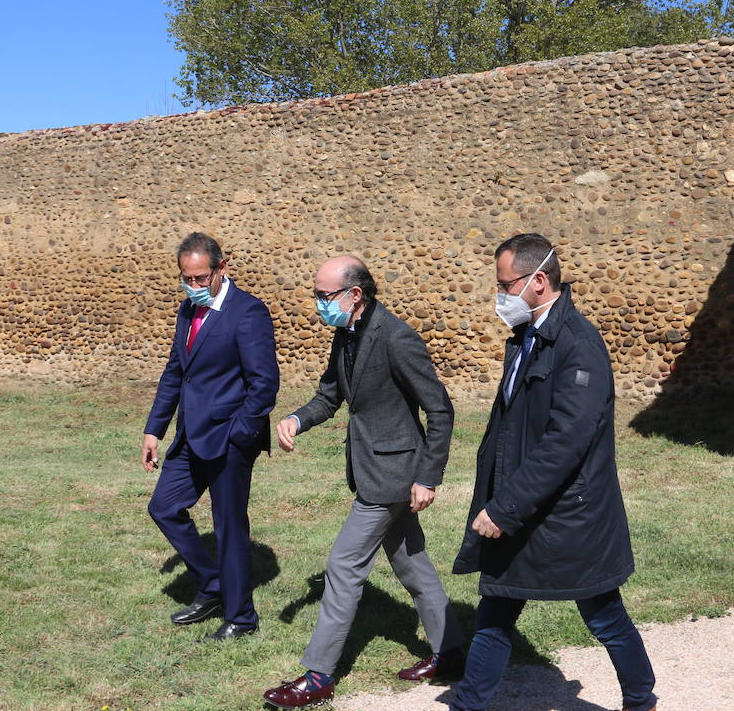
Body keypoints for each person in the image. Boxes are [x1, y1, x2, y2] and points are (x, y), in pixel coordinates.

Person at [448, 233, 657, 711]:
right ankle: (469, 704)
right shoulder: (528, 339)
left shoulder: (578, 344)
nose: (501, 296)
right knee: (496, 611)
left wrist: (505, 508)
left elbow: (567, 441)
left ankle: (641, 700)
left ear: (538, 281)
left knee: (604, 615)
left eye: (506, 285)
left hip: (568, 514)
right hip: (524, 507)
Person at [262, 256, 464, 709]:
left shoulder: (396, 337)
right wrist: (297, 419)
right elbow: (331, 394)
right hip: (373, 469)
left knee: (343, 566)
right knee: (412, 564)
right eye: (315, 295)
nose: (318, 304)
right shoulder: (346, 333)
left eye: (324, 295)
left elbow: (440, 409)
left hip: (393, 477)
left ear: (355, 295)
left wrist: (428, 477)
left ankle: (318, 676)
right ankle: (451, 650)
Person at [141, 232, 279, 640]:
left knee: (229, 526)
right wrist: (154, 429)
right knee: (163, 508)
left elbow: (264, 382)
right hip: (190, 435)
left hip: (230, 439)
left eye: (202, 278)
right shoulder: (187, 311)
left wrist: (240, 433)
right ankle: (214, 584)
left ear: (222, 268)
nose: (195, 286)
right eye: (188, 278)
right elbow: (175, 373)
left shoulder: (248, 312)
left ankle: (242, 618)